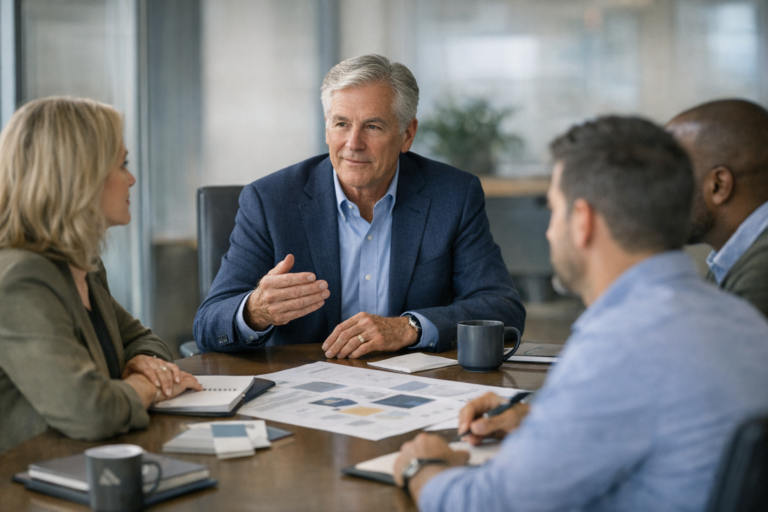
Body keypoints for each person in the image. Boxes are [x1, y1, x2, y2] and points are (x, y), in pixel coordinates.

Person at [392, 116, 768, 512]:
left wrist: (424, 464)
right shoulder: (743, 321)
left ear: (583, 221)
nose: (550, 232)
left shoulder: (620, 344)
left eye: (554, 211)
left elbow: (486, 504)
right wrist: (545, 421)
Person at [193, 54, 525, 358]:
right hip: (302, 391)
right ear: (327, 128)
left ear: (407, 134)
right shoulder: (270, 201)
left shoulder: (453, 195)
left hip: (416, 390)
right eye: (341, 124)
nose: (353, 144)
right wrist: (255, 310)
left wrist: (409, 328)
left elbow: (502, 308)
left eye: (372, 126)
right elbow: (208, 325)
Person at [0, 97, 202, 453]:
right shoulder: (20, 278)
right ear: (79, 176)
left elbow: (149, 342)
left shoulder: (82, 264)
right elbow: (91, 410)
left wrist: (141, 364)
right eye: (122, 164)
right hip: (29, 483)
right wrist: (149, 386)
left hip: (91, 464)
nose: (132, 179)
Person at [666, 99, 768, 317]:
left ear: (718, 186)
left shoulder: (762, 271)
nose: (659, 192)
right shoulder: (734, 257)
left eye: (670, 175)